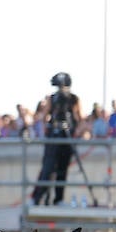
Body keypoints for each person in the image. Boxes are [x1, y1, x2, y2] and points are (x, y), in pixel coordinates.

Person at [31, 72, 83, 206]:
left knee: (62, 168)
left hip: (67, 136)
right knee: (48, 168)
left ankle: (58, 199)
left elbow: (79, 117)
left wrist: (77, 131)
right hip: (54, 135)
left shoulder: (74, 99)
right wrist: (46, 131)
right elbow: (44, 116)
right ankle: (38, 198)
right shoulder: (52, 98)